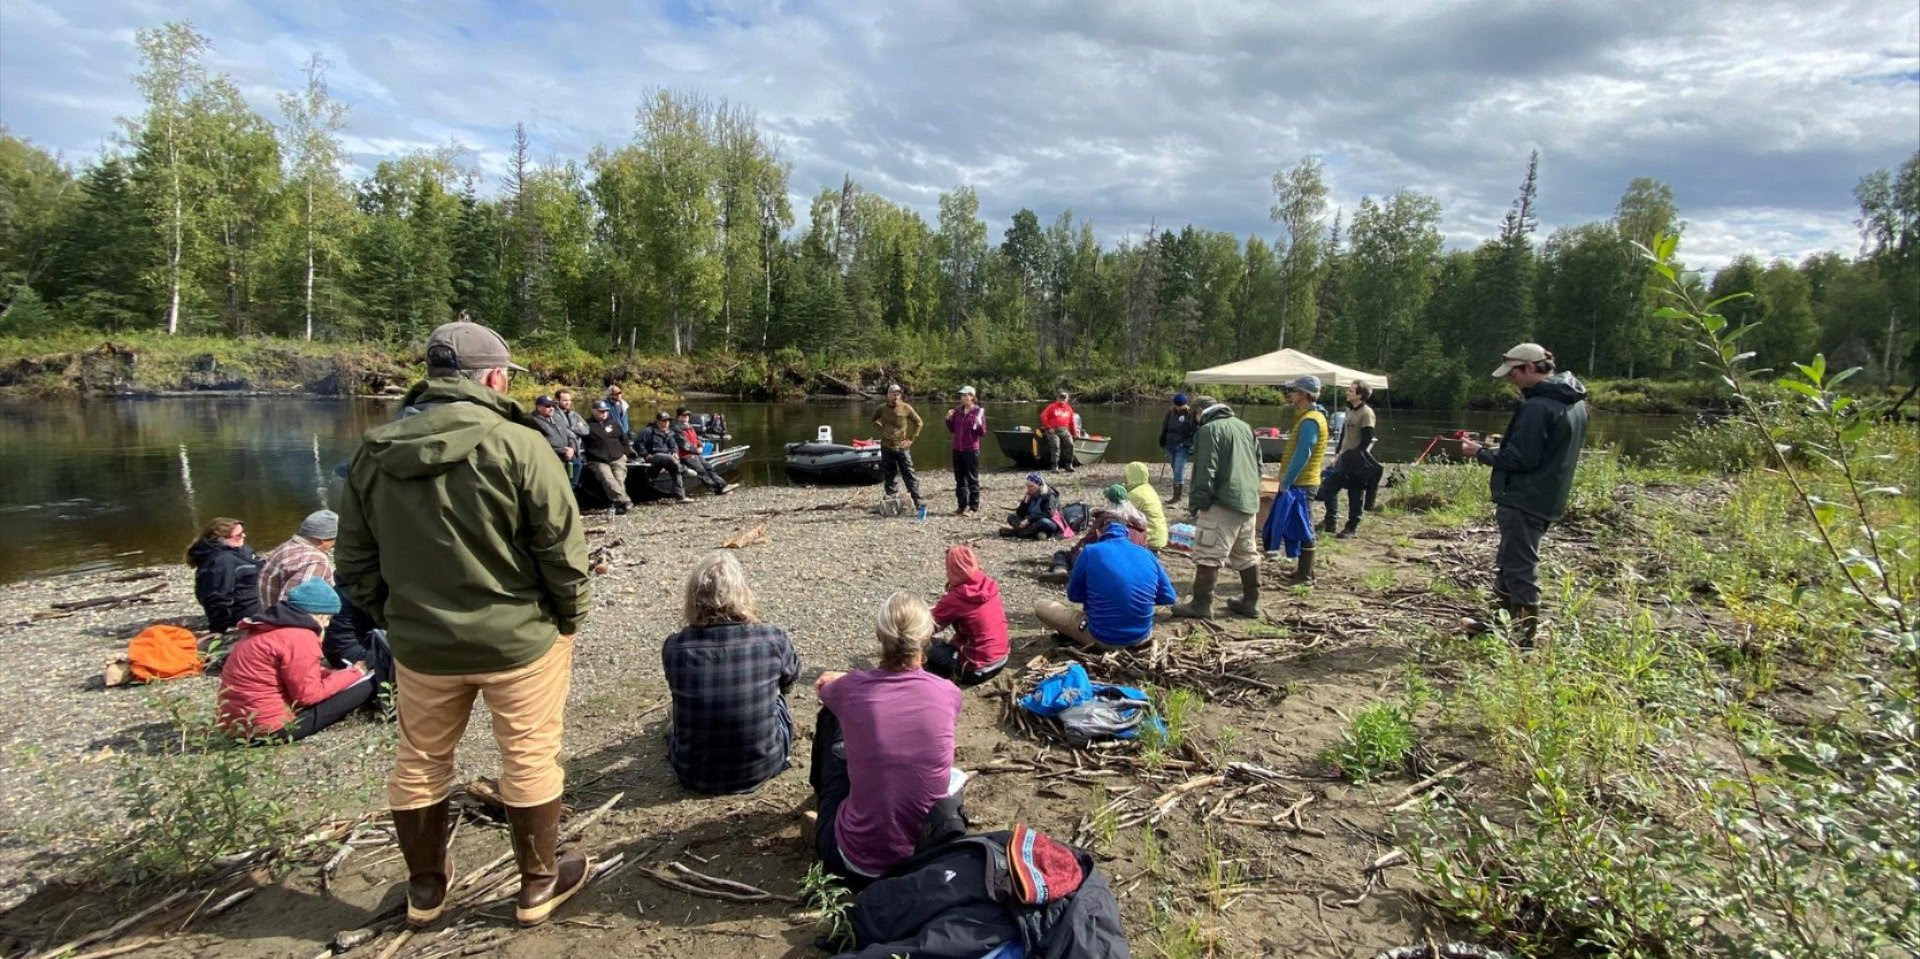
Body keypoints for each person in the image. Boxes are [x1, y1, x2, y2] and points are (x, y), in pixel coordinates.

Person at [336, 319, 595, 929]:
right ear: (495, 378)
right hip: (519, 638)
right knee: (529, 755)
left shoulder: (375, 451)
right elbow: (561, 548)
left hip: (422, 644)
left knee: (420, 760)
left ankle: (426, 889)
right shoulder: (521, 444)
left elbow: (353, 561)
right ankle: (536, 886)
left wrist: (394, 616)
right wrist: (569, 618)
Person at [810, 593, 965, 884]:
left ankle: (820, 798)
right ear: (927, 638)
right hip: (922, 858)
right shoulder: (947, 693)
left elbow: (823, 690)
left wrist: (843, 679)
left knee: (831, 716)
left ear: (879, 636)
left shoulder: (851, 689)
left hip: (852, 860)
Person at [1461, 343, 1589, 642]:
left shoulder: (1537, 407)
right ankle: (1498, 625)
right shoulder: (1574, 402)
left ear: (1530, 368)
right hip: (1545, 495)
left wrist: (1480, 452)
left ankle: (1522, 643)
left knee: (1519, 568)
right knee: (1509, 562)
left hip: (1524, 499)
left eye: (1513, 373)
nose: (1511, 380)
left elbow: (1521, 459)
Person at [662, 553, 800, 794]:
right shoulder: (772, 638)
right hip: (763, 766)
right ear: (743, 593)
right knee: (777, 700)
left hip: (692, 773)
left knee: (676, 714)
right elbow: (790, 679)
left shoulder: (675, 646)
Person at [218, 578, 373, 742]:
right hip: (270, 730)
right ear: (318, 615)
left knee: (343, 679)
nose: (327, 625)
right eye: (327, 618)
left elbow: (290, 672)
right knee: (370, 683)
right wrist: (355, 673)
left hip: (236, 727)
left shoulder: (266, 628)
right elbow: (308, 696)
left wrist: (332, 675)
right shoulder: (301, 637)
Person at [1173, 396, 1263, 619]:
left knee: (1208, 553)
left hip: (1221, 502)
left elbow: (1205, 471)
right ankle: (1250, 602)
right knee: (1246, 553)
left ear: (1199, 412)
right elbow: (1258, 464)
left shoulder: (1208, 430)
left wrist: (1198, 504)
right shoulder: (1245, 427)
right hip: (1248, 502)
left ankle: (1201, 605)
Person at [1034, 513, 1177, 650]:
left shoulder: (1090, 551)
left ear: (1098, 533)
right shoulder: (1147, 554)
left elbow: (1073, 595)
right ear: (1127, 532)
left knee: (1041, 605)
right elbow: (1169, 597)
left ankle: (1080, 637)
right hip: (1141, 637)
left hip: (1102, 638)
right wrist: (1137, 598)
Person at [1269, 376, 1329, 582]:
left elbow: (1304, 453)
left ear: (1304, 394)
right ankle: (1304, 571)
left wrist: (1286, 481)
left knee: (1305, 526)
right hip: (1303, 481)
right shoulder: (1309, 416)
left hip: (1303, 482)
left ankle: (1305, 575)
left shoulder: (1311, 419)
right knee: (1301, 523)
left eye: (1294, 391)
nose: (1291, 394)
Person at [927, 545, 1009, 687]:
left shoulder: (957, 596)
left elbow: (926, 626)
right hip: (1001, 659)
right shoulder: (988, 584)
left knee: (922, 645)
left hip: (976, 669)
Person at [1319, 382, 1380, 538]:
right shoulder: (1348, 410)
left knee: (1355, 494)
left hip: (1357, 461)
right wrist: (1338, 452)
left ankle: (1351, 527)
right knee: (1328, 487)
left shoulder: (1366, 413)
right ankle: (1330, 522)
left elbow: (1366, 439)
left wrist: (1355, 456)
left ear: (1360, 395)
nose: (1347, 393)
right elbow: (1344, 435)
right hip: (1343, 458)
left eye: (1351, 391)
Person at [187, 517, 262, 633]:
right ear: (220, 539)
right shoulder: (220, 561)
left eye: (243, 532)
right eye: (238, 535)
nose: (244, 536)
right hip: (245, 610)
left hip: (256, 599)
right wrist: (218, 629)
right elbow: (216, 597)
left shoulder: (243, 550)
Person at [258, 509, 339, 609]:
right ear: (322, 540)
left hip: (268, 612)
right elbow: (295, 608)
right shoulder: (315, 561)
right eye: (335, 539)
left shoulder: (287, 547)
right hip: (287, 621)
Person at [871, 384, 926, 511]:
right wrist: (882, 429)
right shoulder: (881, 408)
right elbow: (873, 419)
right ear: (888, 395)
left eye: (898, 394)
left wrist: (911, 439)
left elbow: (919, 422)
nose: (896, 396)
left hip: (902, 447)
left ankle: (917, 499)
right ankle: (891, 500)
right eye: (893, 394)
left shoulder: (906, 408)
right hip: (886, 446)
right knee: (889, 474)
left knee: (909, 473)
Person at [582, 401, 638, 514]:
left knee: (619, 478)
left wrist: (625, 454)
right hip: (598, 459)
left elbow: (624, 440)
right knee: (607, 478)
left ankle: (617, 504)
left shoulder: (614, 424)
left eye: (606, 411)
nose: (604, 413)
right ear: (594, 412)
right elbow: (581, 441)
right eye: (601, 411)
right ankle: (625, 501)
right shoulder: (587, 425)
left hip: (617, 457)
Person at [675, 408, 738, 495]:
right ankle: (717, 490)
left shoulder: (689, 426)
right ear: (679, 416)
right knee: (701, 471)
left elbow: (696, 438)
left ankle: (723, 486)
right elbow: (683, 443)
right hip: (686, 456)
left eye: (688, 415)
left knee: (709, 467)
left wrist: (700, 445)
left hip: (695, 454)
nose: (686, 417)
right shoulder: (676, 428)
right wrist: (696, 450)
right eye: (684, 415)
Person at [944, 385, 987, 515]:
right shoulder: (957, 411)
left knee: (972, 479)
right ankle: (961, 506)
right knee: (959, 479)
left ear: (972, 397)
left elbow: (983, 433)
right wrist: (948, 419)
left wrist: (979, 423)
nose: (963, 398)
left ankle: (973, 507)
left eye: (966, 395)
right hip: (957, 449)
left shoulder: (978, 412)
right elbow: (952, 429)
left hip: (971, 449)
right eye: (962, 395)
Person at [634, 411, 691, 505]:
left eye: (668, 421)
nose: (666, 423)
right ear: (658, 421)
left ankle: (680, 496)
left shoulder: (670, 432)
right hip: (653, 456)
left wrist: (675, 453)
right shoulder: (648, 431)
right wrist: (645, 454)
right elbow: (638, 444)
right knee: (668, 459)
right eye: (664, 421)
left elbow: (674, 445)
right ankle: (684, 469)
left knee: (674, 468)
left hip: (668, 459)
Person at [1158, 393, 1198, 503]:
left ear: (1186, 404)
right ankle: (1176, 494)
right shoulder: (1170, 413)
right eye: (1176, 405)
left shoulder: (1191, 414)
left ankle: (1177, 497)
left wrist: (1190, 444)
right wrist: (1163, 441)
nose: (1178, 407)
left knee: (1178, 470)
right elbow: (1165, 427)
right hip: (1170, 445)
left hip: (1182, 446)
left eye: (1180, 406)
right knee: (1175, 469)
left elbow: (1195, 430)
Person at [1122, 462, 1169, 551]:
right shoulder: (1147, 489)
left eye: (1126, 475)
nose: (1124, 478)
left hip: (1149, 539)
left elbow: (1122, 514)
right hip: (1158, 536)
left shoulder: (1136, 494)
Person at [530, 396, 581, 476]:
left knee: (577, 466)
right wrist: (563, 451)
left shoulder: (557, 417)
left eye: (553, 405)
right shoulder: (533, 422)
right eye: (548, 406)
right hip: (551, 460)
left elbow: (569, 435)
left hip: (568, 456)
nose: (552, 408)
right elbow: (538, 446)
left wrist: (572, 449)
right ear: (539, 407)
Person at [1001, 472, 1062, 539]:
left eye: (1031, 486)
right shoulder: (1030, 494)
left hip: (1048, 522)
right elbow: (1020, 514)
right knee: (1011, 517)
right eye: (1027, 486)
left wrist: (1029, 520)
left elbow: (1048, 513)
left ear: (1038, 485)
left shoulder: (1049, 495)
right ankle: (1033, 533)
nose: (1029, 488)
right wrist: (1025, 502)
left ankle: (1018, 533)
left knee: (1043, 522)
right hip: (1031, 523)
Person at [555, 390, 589, 487]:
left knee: (574, 482)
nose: (568, 403)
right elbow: (562, 431)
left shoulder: (574, 414)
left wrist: (572, 428)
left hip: (576, 451)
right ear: (557, 400)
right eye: (565, 400)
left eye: (569, 400)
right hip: (563, 451)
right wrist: (576, 427)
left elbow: (586, 430)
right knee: (564, 482)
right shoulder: (554, 414)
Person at [1039, 391, 1077, 472]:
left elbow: (1072, 422)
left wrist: (1074, 433)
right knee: (1056, 445)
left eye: (1063, 398)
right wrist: (1048, 428)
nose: (1061, 399)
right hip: (1053, 430)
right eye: (1060, 397)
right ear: (1057, 398)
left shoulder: (1069, 409)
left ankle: (1069, 464)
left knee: (1070, 444)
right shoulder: (1051, 407)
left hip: (1065, 430)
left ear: (1066, 399)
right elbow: (1043, 416)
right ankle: (1055, 466)